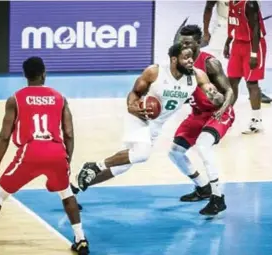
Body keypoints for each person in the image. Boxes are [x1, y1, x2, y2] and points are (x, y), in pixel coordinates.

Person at [0, 57, 89, 255]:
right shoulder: (60, 98)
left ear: (25, 75)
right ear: (44, 73)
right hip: (56, 152)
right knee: (66, 193)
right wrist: (66, 161)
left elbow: (5, 135)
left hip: (30, 153)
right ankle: (81, 240)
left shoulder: (15, 99)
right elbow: (69, 133)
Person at [72, 43, 222, 196]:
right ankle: (94, 166)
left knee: (122, 166)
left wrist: (216, 97)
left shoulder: (197, 75)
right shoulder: (155, 72)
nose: (190, 61)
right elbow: (135, 93)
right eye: (185, 58)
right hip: (140, 117)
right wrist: (131, 106)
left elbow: (213, 93)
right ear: (174, 60)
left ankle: (75, 186)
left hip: (157, 124)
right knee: (142, 154)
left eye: (191, 57)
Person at [170, 24, 235, 215]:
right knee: (175, 152)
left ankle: (218, 197)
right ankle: (203, 187)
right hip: (197, 113)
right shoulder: (181, 62)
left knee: (203, 146)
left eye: (188, 43)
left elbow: (229, 90)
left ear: (199, 43)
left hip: (219, 112)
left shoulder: (210, 63)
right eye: (182, 42)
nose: (184, 46)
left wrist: (221, 109)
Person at [202, 0, 272, 105]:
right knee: (214, 63)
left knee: (247, 70)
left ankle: (254, 91)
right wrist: (206, 31)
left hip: (245, 24)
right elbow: (209, 7)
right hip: (224, 24)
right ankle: (207, 93)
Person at [224, 0, 268, 134]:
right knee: (231, 81)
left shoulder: (250, 3)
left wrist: (254, 54)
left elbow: (256, 29)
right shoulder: (231, 2)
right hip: (238, 43)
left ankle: (257, 121)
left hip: (253, 45)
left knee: (252, 83)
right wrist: (227, 42)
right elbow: (234, 25)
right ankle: (225, 115)